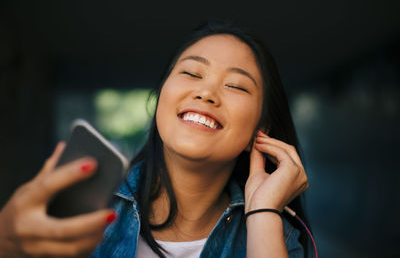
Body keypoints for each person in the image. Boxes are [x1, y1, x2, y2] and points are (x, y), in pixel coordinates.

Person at [0, 22, 310, 258]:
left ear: (260, 133)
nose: (206, 93)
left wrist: (264, 214)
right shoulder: (83, 204)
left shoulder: (278, 235)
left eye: (236, 86)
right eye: (191, 73)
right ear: (161, 97)